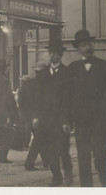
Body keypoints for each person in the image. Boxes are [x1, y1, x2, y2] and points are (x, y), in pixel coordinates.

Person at [68, 30, 106, 187]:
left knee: (100, 154)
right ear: (78, 49)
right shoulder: (73, 68)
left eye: (89, 44)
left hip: (101, 121)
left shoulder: (105, 66)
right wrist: (69, 120)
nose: (87, 47)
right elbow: (68, 97)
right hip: (81, 122)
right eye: (83, 45)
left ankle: (105, 184)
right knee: (83, 157)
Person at [33, 41, 73, 186]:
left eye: (56, 54)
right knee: (50, 151)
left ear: (60, 56)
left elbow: (69, 100)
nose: (53, 56)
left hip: (62, 120)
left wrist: (67, 121)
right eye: (51, 53)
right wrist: (36, 116)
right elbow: (37, 97)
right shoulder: (42, 74)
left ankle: (68, 173)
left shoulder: (67, 73)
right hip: (46, 120)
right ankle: (56, 176)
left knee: (63, 150)